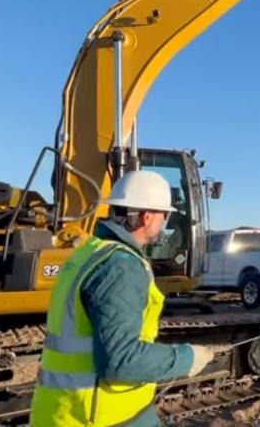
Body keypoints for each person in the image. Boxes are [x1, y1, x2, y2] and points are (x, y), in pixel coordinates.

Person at [31, 170, 213, 426]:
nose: (165, 224)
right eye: (165, 216)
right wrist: (187, 358)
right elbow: (122, 360)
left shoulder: (91, 252)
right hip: (97, 416)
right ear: (146, 217)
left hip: (75, 409)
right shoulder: (120, 267)